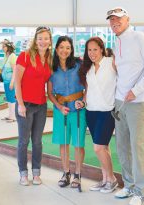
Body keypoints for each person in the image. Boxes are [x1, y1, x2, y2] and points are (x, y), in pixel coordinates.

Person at [106, 7, 144, 205]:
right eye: (111, 20)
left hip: (138, 102)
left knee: (137, 148)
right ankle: (128, 185)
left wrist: (135, 91)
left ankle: (141, 192)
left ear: (127, 19)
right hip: (120, 102)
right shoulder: (116, 42)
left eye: (118, 19)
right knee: (122, 147)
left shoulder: (139, 38)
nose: (114, 22)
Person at [77, 37, 118, 193]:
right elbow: (89, 90)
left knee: (98, 148)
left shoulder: (111, 62)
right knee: (104, 147)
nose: (92, 53)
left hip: (107, 111)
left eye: (95, 49)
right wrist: (83, 102)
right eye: (89, 50)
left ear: (102, 48)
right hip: (91, 111)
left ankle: (112, 179)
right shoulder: (87, 67)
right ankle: (105, 179)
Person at [15, 26, 52, 186]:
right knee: (24, 141)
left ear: (50, 41)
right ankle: (23, 174)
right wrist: (21, 104)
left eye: (46, 38)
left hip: (41, 105)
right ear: (35, 40)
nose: (43, 41)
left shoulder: (50, 59)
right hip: (26, 105)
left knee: (37, 141)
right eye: (40, 38)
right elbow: (16, 81)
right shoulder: (24, 56)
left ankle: (36, 173)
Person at [47, 36, 86, 189]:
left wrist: (82, 101)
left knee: (78, 144)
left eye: (68, 47)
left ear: (71, 50)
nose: (65, 50)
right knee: (63, 143)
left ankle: (78, 174)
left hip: (78, 109)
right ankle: (66, 173)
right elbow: (49, 92)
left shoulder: (79, 64)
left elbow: (87, 85)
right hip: (60, 110)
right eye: (62, 47)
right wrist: (58, 106)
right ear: (56, 49)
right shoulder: (51, 67)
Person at [0, 39, 17, 122]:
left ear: (8, 47)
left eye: (4, 46)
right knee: (8, 98)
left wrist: (12, 82)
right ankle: (10, 115)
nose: (2, 48)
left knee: (12, 98)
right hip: (6, 81)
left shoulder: (12, 56)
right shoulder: (6, 56)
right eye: (2, 46)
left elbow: (15, 70)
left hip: (10, 81)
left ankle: (13, 117)